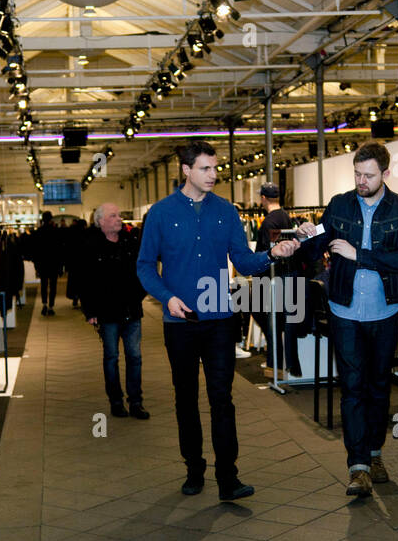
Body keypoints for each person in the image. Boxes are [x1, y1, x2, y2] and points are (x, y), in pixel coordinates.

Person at [136, 139, 300, 501]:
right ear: (186, 170)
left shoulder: (226, 212)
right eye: (205, 169)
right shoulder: (161, 214)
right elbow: (145, 266)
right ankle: (194, 469)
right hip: (179, 323)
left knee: (222, 398)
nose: (213, 175)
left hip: (221, 318)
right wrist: (167, 298)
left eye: (215, 168)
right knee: (185, 399)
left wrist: (273, 253)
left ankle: (228, 477)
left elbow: (242, 261)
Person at [296, 142, 398, 497]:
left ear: (385, 173)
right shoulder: (339, 204)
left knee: (378, 386)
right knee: (352, 387)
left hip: (385, 310)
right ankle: (358, 465)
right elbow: (319, 247)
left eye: (368, 175)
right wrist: (308, 237)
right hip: (344, 309)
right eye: (357, 174)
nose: (361, 181)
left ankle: (375, 452)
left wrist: (359, 254)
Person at [81, 202, 149, 420]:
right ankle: (116, 401)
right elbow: (86, 283)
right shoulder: (91, 246)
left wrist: (139, 295)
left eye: (119, 215)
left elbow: (143, 271)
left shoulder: (131, 243)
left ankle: (136, 402)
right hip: (107, 313)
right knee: (111, 357)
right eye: (113, 216)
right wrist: (90, 311)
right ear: (101, 221)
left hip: (132, 311)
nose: (119, 218)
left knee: (135, 357)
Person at [253, 182, 298, 377]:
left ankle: (275, 365)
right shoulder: (285, 217)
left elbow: (267, 253)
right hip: (284, 275)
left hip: (271, 277)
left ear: (263, 198)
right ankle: (276, 363)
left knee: (267, 317)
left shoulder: (269, 222)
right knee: (276, 320)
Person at [32, 211, 62, 316]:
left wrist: (36, 266)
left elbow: (36, 250)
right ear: (51, 219)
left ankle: (44, 304)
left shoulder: (39, 232)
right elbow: (59, 250)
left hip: (43, 263)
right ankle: (51, 306)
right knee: (53, 286)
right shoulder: (56, 232)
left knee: (44, 285)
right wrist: (60, 266)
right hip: (53, 263)